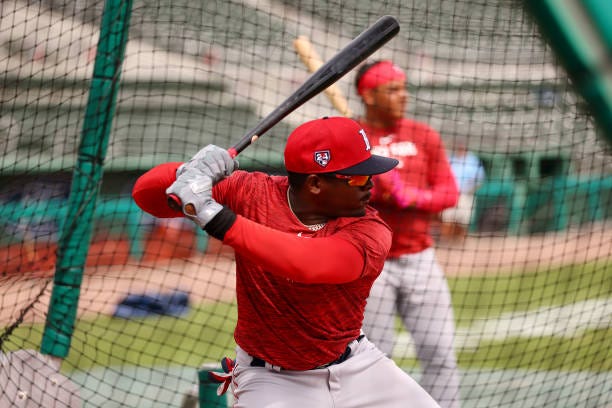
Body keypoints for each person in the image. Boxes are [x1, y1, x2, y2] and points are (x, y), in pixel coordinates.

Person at [132, 116, 441, 407]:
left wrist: (213, 216)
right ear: (315, 184)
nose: (371, 184)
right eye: (359, 177)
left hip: (357, 366)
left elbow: (305, 263)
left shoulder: (370, 229)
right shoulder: (251, 192)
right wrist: (188, 171)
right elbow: (146, 195)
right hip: (269, 378)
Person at [354, 60, 462, 408]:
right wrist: (374, 189)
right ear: (368, 96)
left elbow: (449, 193)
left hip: (420, 260)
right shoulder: (350, 136)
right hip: (371, 264)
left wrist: (413, 197)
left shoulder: (424, 135)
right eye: (393, 89)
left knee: (440, 352)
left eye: (404, 88)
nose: (404, 96)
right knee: (375, 358)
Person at [440, 138, 485, 240]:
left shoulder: (472, 160)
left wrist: (471, 189)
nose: (460, 148)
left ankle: (460, 240)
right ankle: (447, 239)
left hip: (466, 193)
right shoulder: (451, 159)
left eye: (462, 146)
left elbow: (480, 178)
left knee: (464, 219)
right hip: (451, 193)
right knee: (448, 217)